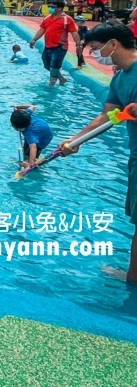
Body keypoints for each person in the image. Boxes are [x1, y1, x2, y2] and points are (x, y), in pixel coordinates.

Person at [58, 24, 137, 283]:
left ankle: (133, 278)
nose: (93, 54)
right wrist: (76, 140)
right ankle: (133, 276)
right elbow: (107, 116)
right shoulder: (120, 78)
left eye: (94, 48)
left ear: (112, 44)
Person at [28, 0, 80, 86]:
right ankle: (62, 79)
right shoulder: (47, 18)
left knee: (54, 66)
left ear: (59, 8)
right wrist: (34, 40)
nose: (50, 8)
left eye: (52, 7)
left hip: (60, 46)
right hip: (48, 46)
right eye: (49, 6)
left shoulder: (67, 19)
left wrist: (78, 44)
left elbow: (74, 32)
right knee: (47, 65)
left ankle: (51, 85)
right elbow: (42, 29)